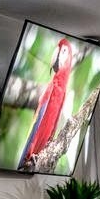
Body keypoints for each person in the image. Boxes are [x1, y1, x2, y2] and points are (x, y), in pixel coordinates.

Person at [18, 37, 76, 171]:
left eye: (64, 51)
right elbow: (36, 126)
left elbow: (53, 126)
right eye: (60, 50)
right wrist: (29, 154)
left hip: (41, 155)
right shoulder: (51, 88)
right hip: (30, 154)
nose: (59, 52)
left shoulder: (63, 94)